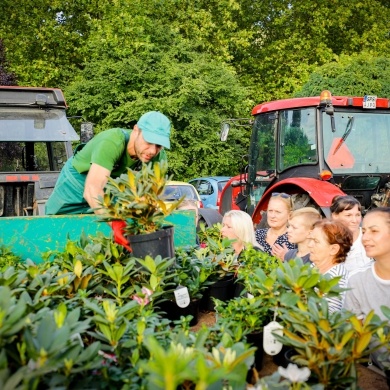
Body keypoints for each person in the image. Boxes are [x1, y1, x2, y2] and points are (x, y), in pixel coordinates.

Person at [45, 111, 171, 215]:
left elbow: (148, 197)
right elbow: (92, 189)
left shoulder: (158, 157)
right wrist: (114, 223)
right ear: (136, 130)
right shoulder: (112, 141)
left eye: (159, 145)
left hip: (108, 196)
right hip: (74, 190)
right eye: (148, 142)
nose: (152, 151)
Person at [344, 207, 390, 371]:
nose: (365, 238)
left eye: (374, 231)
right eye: (364, 231)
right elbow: (356, 334)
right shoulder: (357, 280)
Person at [308, 219, 352, 313]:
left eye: (316, 241)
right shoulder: (313, 267)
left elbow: (328, 318)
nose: (309, 245)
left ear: (333, 249)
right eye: (310, 239)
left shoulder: (337, 280)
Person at [330, 195, 372, 272]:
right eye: (348, 215)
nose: (355, 220)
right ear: (335, 216)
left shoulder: (369, 237)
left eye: (357, 215)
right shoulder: (328, 240)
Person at [255, 192, 296, 257]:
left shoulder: (294, 240)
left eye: (278, 212)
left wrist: (288, 257)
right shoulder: (257, 235)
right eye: (270, 211)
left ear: (289, 215)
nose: (272, 216)